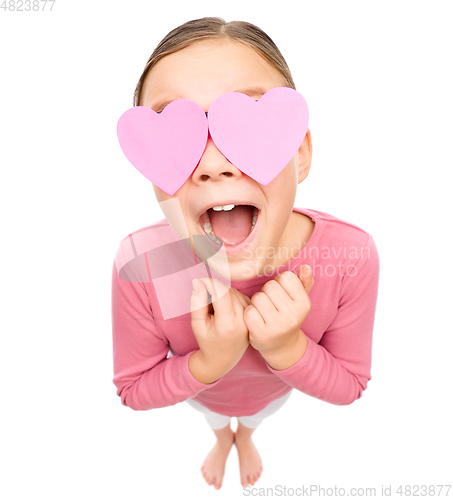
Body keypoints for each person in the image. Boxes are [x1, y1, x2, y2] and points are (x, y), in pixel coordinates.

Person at [111, 17, 380, 490]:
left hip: (275, 394)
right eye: (179, 138)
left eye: (247, 125)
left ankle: (247, 436)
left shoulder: (351, 255)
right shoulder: (141, 266)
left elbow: (350, 386)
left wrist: (286, 348)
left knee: (259, 413)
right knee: (215, 417)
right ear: (147, 168)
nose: (213, 165)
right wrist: (209, 364)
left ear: (300, 154)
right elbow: (133, 390)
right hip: (204, 397)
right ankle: (222, 439)